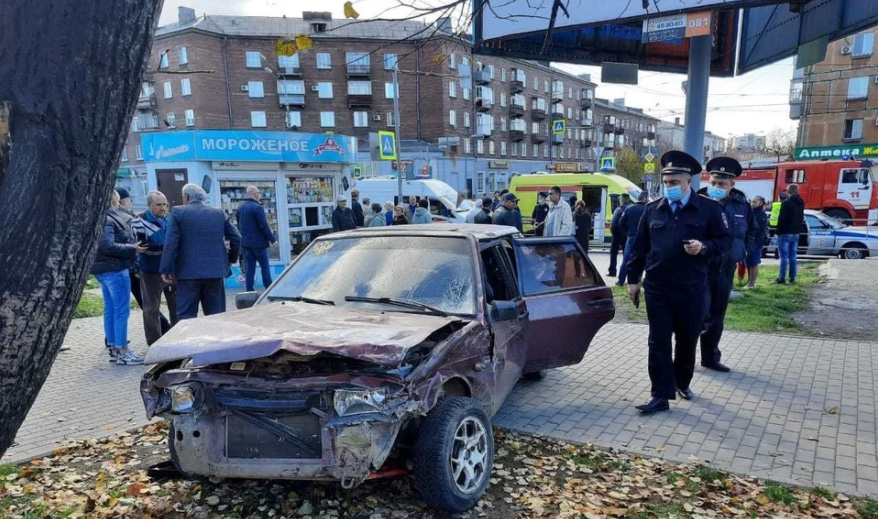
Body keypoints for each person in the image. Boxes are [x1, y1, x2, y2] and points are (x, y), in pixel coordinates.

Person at [626, 151, 731, 415]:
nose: (669, 187)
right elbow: (639, 248)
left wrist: (703, 246)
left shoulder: (709, 209)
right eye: (666, 182)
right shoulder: (653, 209)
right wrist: (633, 280)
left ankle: (681, 382)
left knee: (687, 340)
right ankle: (660, 395)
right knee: (658, 341)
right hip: (658, 287)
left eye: (674, 182)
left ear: (688, 182)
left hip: (692, 288)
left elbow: (725, 242)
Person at [696, 157, 758, 373]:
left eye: (722, 184)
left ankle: (710, 357)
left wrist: (742, 251)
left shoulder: (742, 205)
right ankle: (684, 357)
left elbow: (751, 231)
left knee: (717, 316)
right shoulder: (698, 201)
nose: (716, 187)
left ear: (732, 184)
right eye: (713, 182)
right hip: (701, 267)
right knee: (697, 313)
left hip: (726, 268)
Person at [160, 184, 241, 320]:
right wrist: (230, 259)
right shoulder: (218, 213)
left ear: (186, 196)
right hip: (215, 273)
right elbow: (237, 238)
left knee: (186, 317)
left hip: (187, 274)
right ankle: (214, 341)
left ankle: (190, 341)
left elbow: (171, 243)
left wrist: (165, 269)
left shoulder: (178, 212)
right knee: (216, 317)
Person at [92, 189, 147, 365]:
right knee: (121, 310)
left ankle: (114, 347)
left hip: (103, 269)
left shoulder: (98, 218)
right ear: (116, 201)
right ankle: (123, 350)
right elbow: (108, 246)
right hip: (115, 269)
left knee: (111, 309)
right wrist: (132, 248)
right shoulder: (110, 219)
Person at [132, 190, 178, 346]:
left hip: (171, 269)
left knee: (176, 306)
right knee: (151, 309)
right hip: (151, 270)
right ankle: (155, 344)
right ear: (149, 205)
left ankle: (178, 339)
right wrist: (169, 248)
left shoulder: (170, 218)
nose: (163, 208)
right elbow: (144, 246)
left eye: (165, 204)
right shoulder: (139, 220)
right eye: (158, 205)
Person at [237, 185, 277, 292]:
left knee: (249, 269)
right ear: (255, 194)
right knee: (265, 267)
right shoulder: (257, 207)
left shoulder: (240, 208)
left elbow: (238, 226)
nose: (259, 196)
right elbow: (263, 225)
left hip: (245, 244)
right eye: (259, 193)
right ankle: (269, 289)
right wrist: (273, 239)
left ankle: (249, 290)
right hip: (259, 244)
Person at [616, 191, 648, 286]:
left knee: (626, 259)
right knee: (643, 259)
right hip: (644, 238)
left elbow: (621, 224)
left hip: (631, 236)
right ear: (645, 198)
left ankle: (621, 280)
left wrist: (627, 232)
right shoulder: (648, 209)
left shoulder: (629, 209)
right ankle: (638, 279)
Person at [775, 184, 805, 284]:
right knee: (793, 256)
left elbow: (782, 219)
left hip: (785, 232)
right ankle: (792, 278)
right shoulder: (801, 202)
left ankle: (781, 278)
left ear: (788, 191)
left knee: (784, 257)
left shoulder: (786, 203)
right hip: (795, 231)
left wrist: (778, 231)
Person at [740, 196, 769, 288]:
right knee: (748, 262)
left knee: (753, 263)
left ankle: (752, 283)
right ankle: (749, 281)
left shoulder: (761, 214)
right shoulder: (751, 212)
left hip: (755, 242)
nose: (752, 203)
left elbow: (759, 230)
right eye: (752, 201)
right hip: (748, 241)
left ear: (761, 203)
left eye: (755, 202)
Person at [608, 194, 631, 276]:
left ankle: (612, 271)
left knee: (613, 253)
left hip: (618, 234)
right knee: (627, 254)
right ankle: (627, 272)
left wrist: (613, 233)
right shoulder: (632, 208)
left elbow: (613, 224)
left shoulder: (619, 210)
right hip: (628, 234)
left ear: (622, 200)